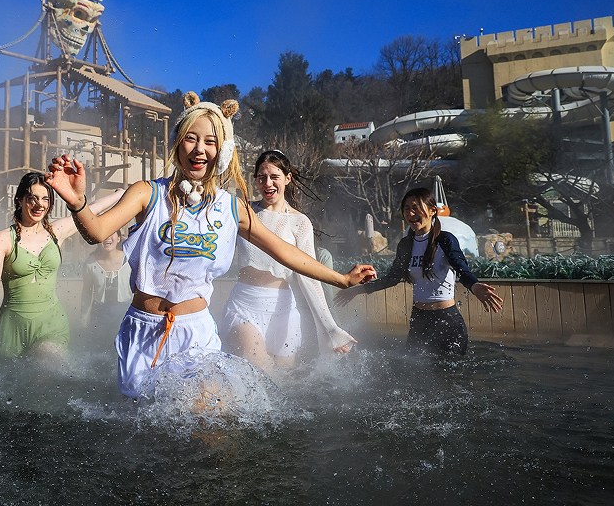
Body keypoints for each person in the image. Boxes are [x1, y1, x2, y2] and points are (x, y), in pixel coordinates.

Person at [45, 91, 376, 398]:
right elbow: (98, 232)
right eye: (191, 138)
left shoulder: (232, 208)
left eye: (210, 141)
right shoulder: (148, 193)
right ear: (178, 144)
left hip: (196, 333)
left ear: (223, 151)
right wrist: (77, 203)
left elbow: (288, 253)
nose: (199, 149)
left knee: (209, 412)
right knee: (148, 433)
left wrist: (342, 279)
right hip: (144, 331)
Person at [0, 172, 121, 368]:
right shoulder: (2, 239)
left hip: (51, 323)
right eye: (33, 198)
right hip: (12, 326)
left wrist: (121, 195)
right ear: (20, 200)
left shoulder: (57, 232)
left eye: (46, 198)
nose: (40, 204)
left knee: (47, 367)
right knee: (12, 385)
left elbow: (91, 210)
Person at [223, 150, 355, 373]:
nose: (268, 183)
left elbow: (308, 277)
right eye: (262, 177)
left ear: (287, 178)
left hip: (282, 311)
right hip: (244, 305)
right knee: (261, 372)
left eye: (274, 177)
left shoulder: (299, 222)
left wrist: (330, 327)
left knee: (281, 387)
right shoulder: (245, 212)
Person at [335, 187, 504, 356]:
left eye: (416, 207)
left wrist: (474, 286)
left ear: (432, 211)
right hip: (419, 320)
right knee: (412, 373)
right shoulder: (405, 245)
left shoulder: (445, 240)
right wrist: (357, 290)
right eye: (407, 208)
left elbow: (462, 269)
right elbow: (393, 278)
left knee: (451, 377)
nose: (411, 213)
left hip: (447, 321)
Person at [81, 229, 132, 337]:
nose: (107, 238)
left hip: (124, 312)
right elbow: (87, 292)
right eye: (103, 235)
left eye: (111, 234)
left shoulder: (129, 260)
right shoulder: (91, 263)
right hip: (99, 314)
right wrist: (83, 319)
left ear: (118, 238)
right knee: (98, 349)